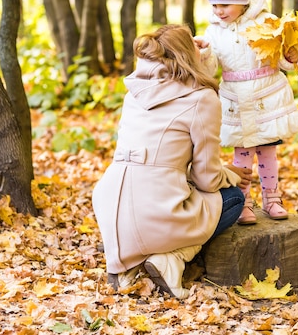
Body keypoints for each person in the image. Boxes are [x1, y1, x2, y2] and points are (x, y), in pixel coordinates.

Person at [92, 24, 252, 299]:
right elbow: (207, 179)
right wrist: (232, 174)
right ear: (190, 55)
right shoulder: (202, 99)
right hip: (155, 210)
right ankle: (170, 258)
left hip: (109, 206)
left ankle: (128, 262)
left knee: (166, 192)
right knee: (234, 199)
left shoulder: (134, 93)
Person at [195, 0, 298, 225]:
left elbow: (282, 59)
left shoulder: (267, 22)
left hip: (265, 96)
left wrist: (291, 57)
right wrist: (205, 55)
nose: (219, 11)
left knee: (267, 151)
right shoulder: (214, 31)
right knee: (241, 156)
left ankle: (273, 198)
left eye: (225, 5)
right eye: (214, 6)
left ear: (242, 1)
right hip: (235, 99)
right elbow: (211, 70)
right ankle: (244, 202)